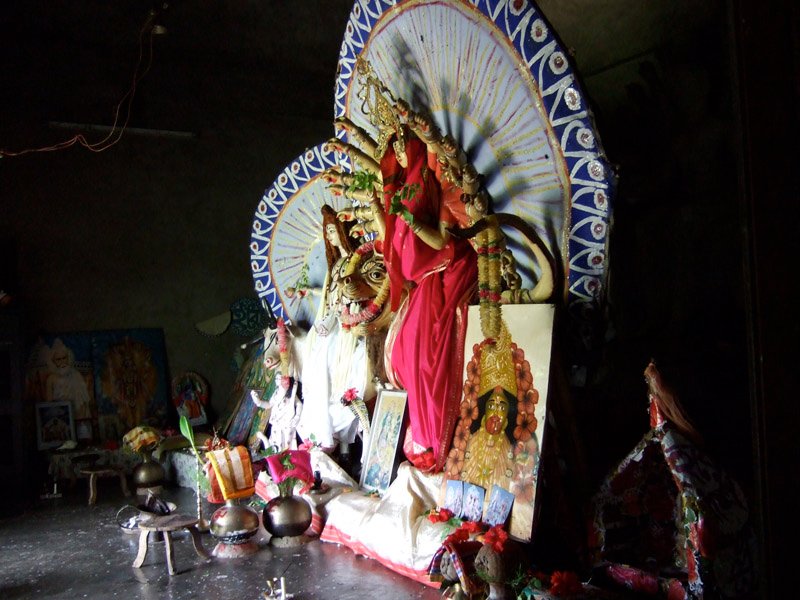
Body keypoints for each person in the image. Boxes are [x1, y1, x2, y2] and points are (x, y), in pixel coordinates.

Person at [380, 126, 478, 472]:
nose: (400, 154)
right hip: (424, 277)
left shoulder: (439, 187)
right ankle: (423, 428)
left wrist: (411, 221)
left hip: (448, 268)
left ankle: (436, 434)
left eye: (403, 146)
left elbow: (444, 244)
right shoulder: (408, 185)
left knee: (427, 355)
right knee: (407, 350)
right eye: (395, 149)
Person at [461, 386, 515, 492]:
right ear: (485, 412)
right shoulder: (472, 440)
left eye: (502, 408)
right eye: (491, 406)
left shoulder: (508, 448)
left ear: (507, 417)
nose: (495, 413)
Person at [46, 338, 92, 419]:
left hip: (78, 416)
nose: (62, 362)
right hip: (60, 417)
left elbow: (83, 402)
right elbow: (49, 404)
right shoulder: (51, 379)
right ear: (53, 361)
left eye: (64, 358)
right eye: (58, 359)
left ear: (68, 358)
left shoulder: (76, 375)